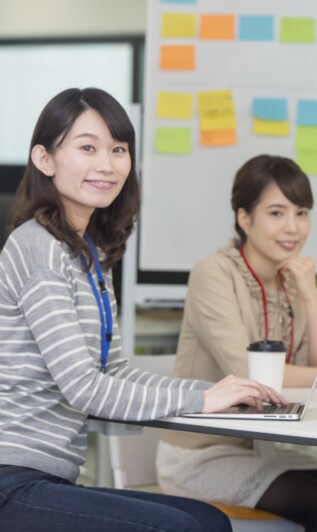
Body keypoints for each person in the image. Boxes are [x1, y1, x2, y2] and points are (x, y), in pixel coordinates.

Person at [0, 87, 286, 531]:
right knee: (189, 528)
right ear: (45, 159)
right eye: (87, 148)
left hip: (48, 478)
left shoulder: (88, 255)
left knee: (206, 519)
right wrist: (203, 399)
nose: (107, 164)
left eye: (118, 149)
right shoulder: (37, 247)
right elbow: (83, 388)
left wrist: (217, 394)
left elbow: (113, 372)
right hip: (12, 480)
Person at [156, 154, 317, 532]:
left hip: (264, 446)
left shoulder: (292, 278)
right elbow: (248, 372)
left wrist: (310, 294)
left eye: (302, 212)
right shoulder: (213, 273)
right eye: (276, 213)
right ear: (245, 218)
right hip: (201, 453)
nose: (292, 227)